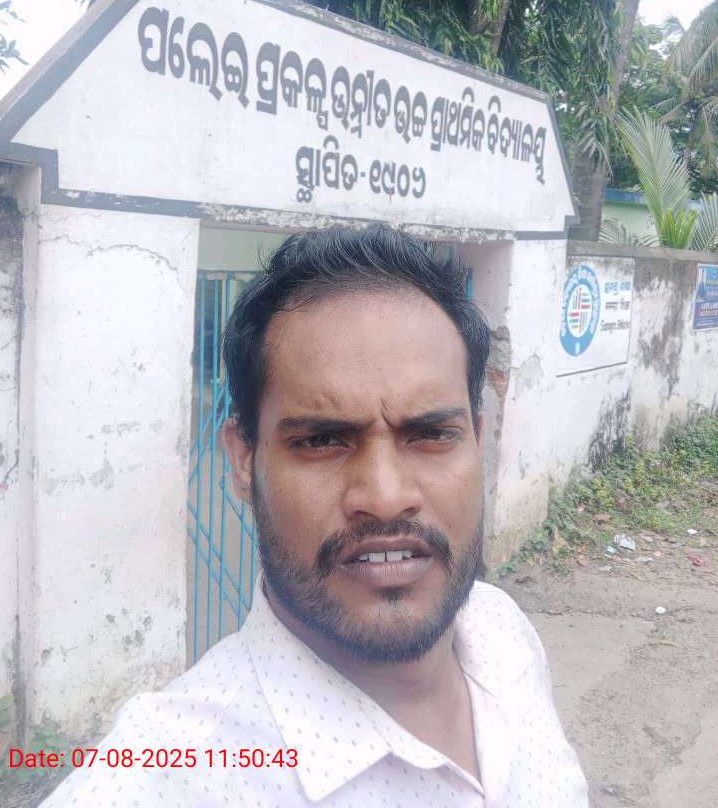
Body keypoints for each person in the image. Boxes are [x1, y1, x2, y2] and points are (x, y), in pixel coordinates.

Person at [41, 223, 588, 807]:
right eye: (323, 440)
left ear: (477, 440)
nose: (385, 496)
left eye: (431, 434)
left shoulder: (503, 634)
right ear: (244, 460)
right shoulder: (167, 780)